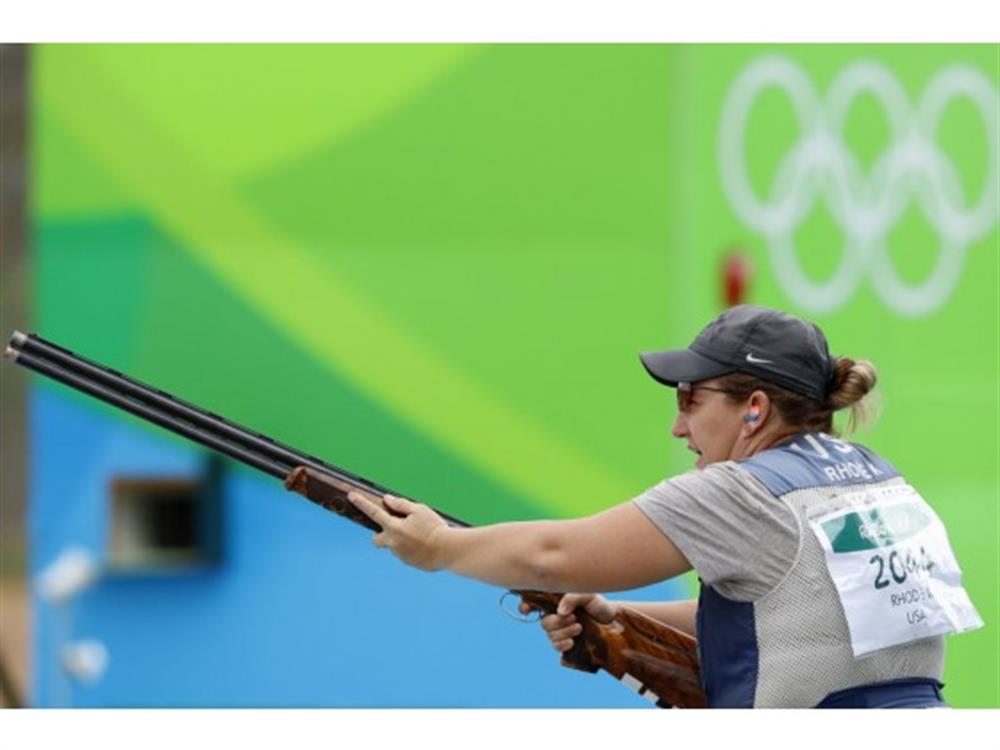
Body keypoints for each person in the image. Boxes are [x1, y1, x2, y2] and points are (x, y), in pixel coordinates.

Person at [346, 304, 982, 708]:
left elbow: (553, 556)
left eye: (690, 401)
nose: (679, 428)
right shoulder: (877, 478)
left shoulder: (741, 492)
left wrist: (439, 548)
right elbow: (787, 617)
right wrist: (620, 615)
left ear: (754, 409)